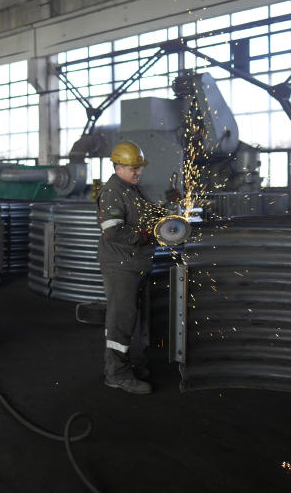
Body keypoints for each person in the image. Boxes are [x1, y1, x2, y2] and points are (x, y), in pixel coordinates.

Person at [96, 141, 170, 395]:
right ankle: (115, 374)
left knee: (131, 318)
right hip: (120, 264)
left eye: (139, 167)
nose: (137, 172)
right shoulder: (113, 191)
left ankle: (127, 364)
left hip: (135, 262)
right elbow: (112, 230)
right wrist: (146, 235)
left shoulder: (133, 189)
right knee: (121, 319)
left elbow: (147, 213)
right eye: (132, 168)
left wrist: (169, 212)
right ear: (117, 166)